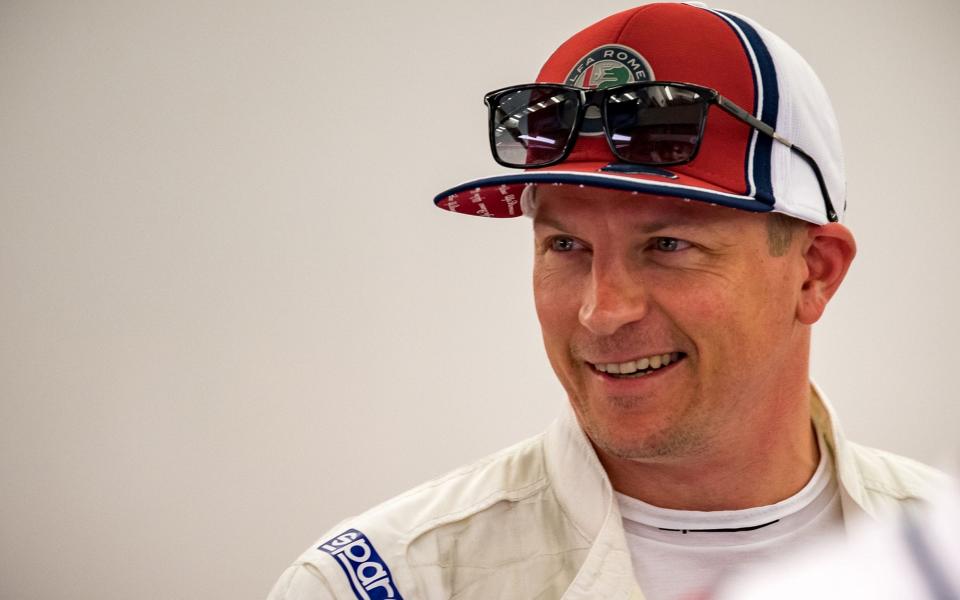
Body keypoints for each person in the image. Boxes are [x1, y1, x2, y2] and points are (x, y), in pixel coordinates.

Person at [268, 3, 949, 599]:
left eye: (670, 245)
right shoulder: (382, 583)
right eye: (565, 247)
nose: (603, 311)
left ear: (814, 274)